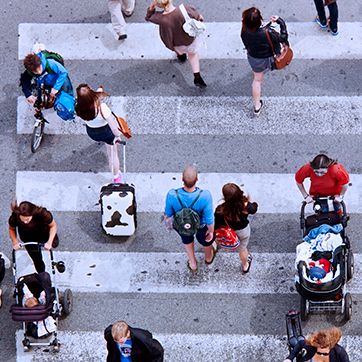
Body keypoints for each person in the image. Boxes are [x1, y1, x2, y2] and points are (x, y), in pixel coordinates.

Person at [163, 165, 214, 272]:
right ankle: (208, 258)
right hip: (201, 225)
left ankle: (193, 263)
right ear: (197, 180)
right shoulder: (205, 195)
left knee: (187, 239)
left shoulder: (172, 195)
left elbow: (168, 214)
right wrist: (211, 231)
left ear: (182, 179)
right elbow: (209, 219)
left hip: (182, 224)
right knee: (206, 241)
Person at [145, 0, 207, 88]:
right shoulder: (185, 9)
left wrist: (151, 7)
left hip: (177, 44)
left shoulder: (160, 18)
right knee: (193, 55)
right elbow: (199, 18)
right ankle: (197, 77)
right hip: (189, 40)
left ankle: (181, 56)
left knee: (178, 49)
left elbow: (148, 17)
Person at [241, 7, 289, 115]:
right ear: (260, 20)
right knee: (259, 77)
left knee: (257, 80)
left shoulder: (244, 30)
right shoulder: (269, 32)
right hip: (267, 59)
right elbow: (283, 37)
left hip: (253, 58)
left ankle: (257, 107)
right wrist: (281, 22)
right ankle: (267, 68)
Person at [75, 84, 123, 183]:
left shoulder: (78, 107)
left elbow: (91, 99)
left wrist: (98, 92)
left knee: (107, 146)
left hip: (92, 132)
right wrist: (118, 136)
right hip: (106, 132)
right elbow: (113, 127)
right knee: (112, 155)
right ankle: (116, 177)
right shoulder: (102, 108)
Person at [214, 183, 258, 274]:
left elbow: (217, 225)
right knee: (242, 249)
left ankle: (217, 247)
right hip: (243, 231)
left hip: (229, 231)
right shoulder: (245, 206)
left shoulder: (220, 209)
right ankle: (245, 265)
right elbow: (254, 208)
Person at [9, 201, 58, 273]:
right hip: (28, 239)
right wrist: (15, 242)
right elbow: (11, 228)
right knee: (36, 259)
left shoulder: (43, 214)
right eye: (23, 220)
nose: (25, 222)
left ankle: (53, 239)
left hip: (44, 233)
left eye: (27, 219)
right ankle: (42, 274)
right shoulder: (15, 216)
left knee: (53, 241)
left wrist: (49, 242)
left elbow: (53, 226)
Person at [283, 327, 350, 362]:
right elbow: (300, 343)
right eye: (319, 353)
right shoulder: (311, 347)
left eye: (325, 354)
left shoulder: (340, 352)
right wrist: (289, 358)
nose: (321, 356)